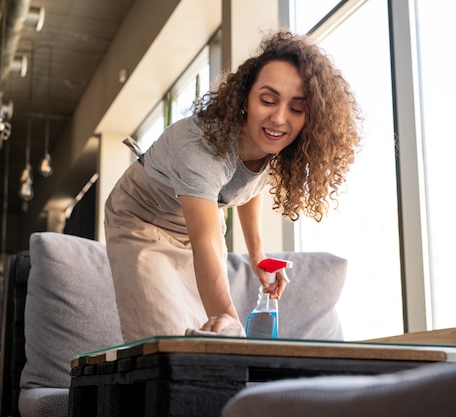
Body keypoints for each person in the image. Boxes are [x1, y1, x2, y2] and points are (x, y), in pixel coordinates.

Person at [104, 30, 362, 343]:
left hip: (196, 224)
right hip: (142, 221)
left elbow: (247, 188)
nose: (279, 118)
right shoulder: (201, 149)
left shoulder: (269, 145)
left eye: (296, 108)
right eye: (268, 100)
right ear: (245, 98)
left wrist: (257, 255)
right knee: (169, 339)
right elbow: (207, 241)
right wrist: (228, 319)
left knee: (207, 336)